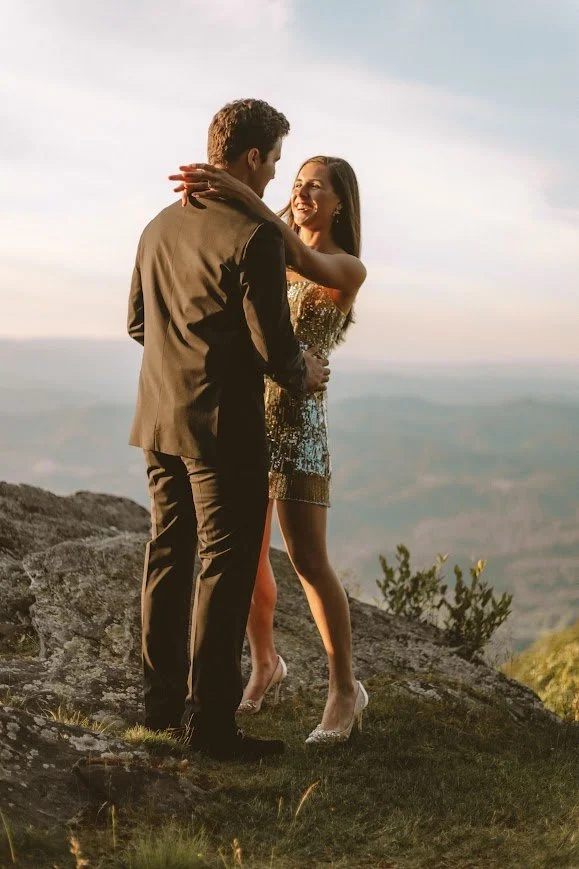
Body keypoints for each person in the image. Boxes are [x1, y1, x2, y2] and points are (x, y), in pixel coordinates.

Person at [128, 99, 329, 762]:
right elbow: (275, 350)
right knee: (224, 565)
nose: (274, 174)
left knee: (168, 554)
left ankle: (159, 708)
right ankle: (211, 725)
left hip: (158, 417)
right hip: (224, 430)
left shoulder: (158, 226)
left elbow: (138, 324)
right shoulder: (255, 236)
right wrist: (308, 372)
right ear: (252, 157)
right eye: (273, 160)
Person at [170, 153, 368, 745]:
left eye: (317, 188)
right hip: (251, 417)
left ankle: (343, 689)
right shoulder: (266, 249)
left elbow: (307, 258)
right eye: (299, 184)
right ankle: (265, 662)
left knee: (308, 561)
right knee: (248, 558)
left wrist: (238, 189)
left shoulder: (346, 267)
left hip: (301, 424)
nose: (303, 193)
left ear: (340, 204)